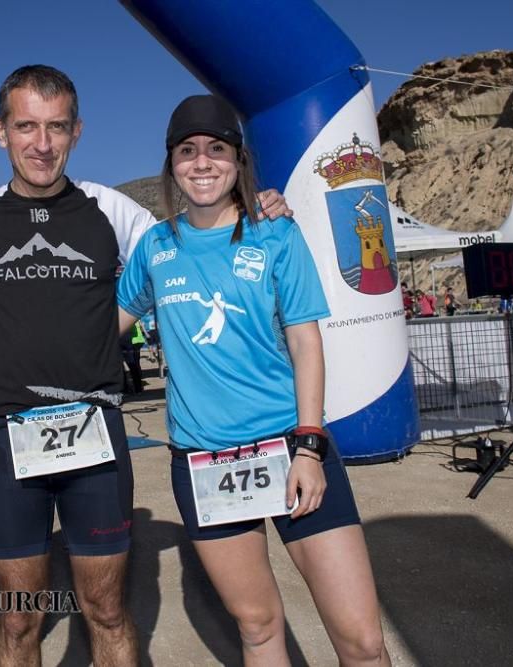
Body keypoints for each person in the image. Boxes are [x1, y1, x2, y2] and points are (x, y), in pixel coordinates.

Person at [0, 66, 291, 666]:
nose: (42, 143)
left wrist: (254, 211)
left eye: (56, 127)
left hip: (95, 434)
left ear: (77, 131)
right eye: (26, 126)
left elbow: (196, 251)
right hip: (4, 440)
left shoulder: (114, 210)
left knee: (106, 611)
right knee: (20, 620)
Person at [117, 95, 390, 666]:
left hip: (292, 447)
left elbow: (305, 342)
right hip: (204, 462)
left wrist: (311, 445)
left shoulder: (274, 235)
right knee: (259, 627)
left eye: (217, 150)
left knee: (362, 641)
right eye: (187, 151)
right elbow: (103, 327)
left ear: (238, 162)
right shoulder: (156, 246)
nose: (202, 163)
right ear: (172, 164)